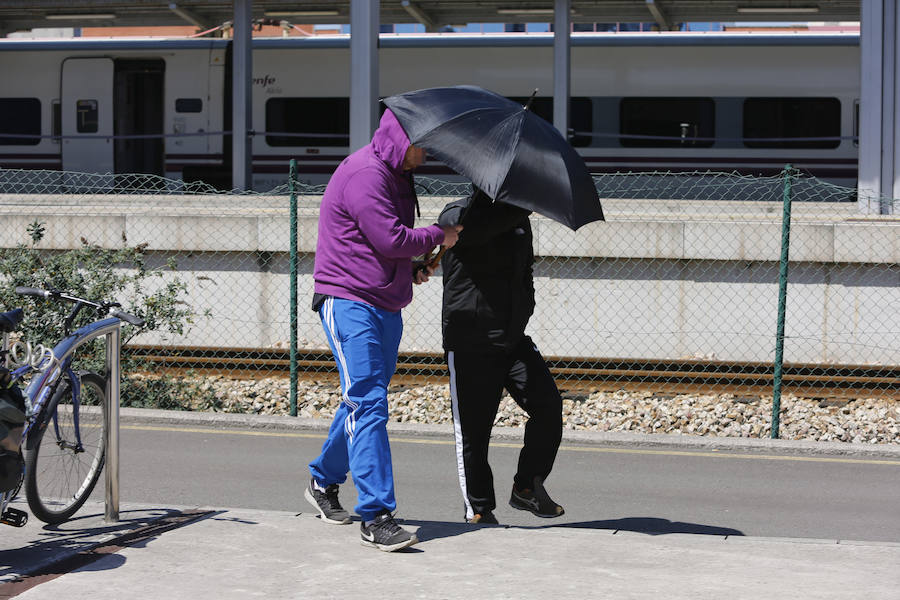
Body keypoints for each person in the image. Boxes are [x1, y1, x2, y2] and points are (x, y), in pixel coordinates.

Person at [304, 108, 461, 552]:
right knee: (369, 400)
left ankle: (321, 479)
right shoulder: (365, 174)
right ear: (401, 139)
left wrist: (410, 269)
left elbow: (379, 244)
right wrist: (439, 235)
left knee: (362, 398)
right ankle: (376, 515)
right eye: (422, 145)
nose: (427, 155)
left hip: (384, 302)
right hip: (347, 301)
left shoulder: (397, 173)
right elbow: (391, 238)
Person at [438, 188, 564, 525]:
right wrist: (521, 209)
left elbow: (526, 269)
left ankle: (526, 487)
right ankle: (478, 509)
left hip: (512, 337)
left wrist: (526, 305)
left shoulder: (519, 219)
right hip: (470, 340)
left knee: (548, 406)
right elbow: (472, 235)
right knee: (474, 432)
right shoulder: (457, 215)